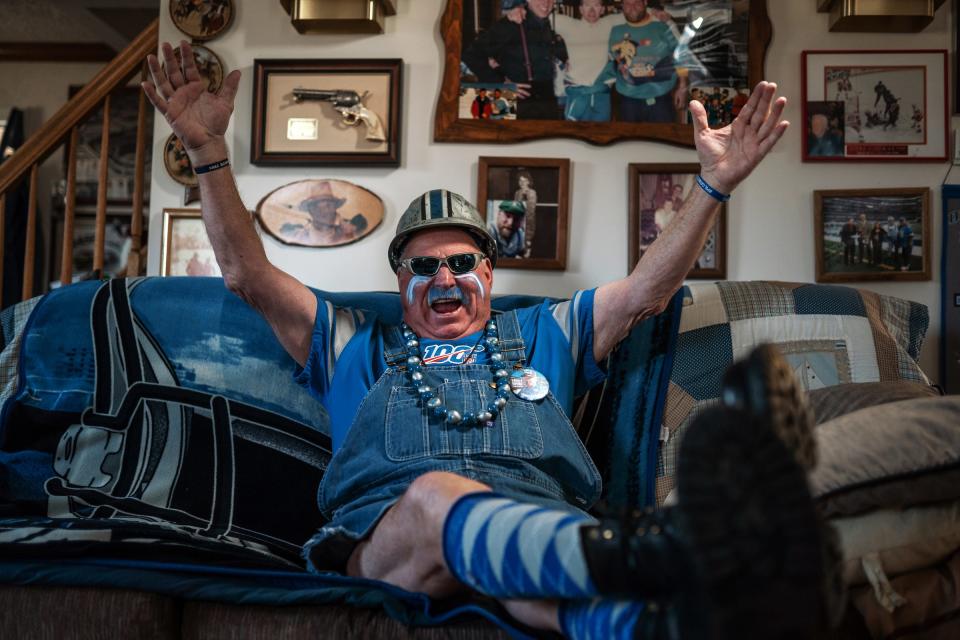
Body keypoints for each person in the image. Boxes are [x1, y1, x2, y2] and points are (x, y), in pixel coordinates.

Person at [143, 40, 834, 638]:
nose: (444, 276)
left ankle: (671, 620)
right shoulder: (350, 338)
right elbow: (245, 273)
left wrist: (712, 185)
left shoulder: (544, 330)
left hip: (530, 536)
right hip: (390, 537)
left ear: (489, 271)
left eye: (462, 262)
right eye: (422, 266)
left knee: (524, 576)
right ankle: (669, 552)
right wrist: (206, 151)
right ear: (400, 281)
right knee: (438, 498)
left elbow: (647, 291)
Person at [462, 0, 568, 120]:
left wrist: (566, 57)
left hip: (547, 102)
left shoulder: (550, 24)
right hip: (518, 103)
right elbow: (471, 55)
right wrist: (500, 83)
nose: (546, 3)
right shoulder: (511, 24)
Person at [597, 0, 688, 123]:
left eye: (636, 3)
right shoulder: (614, 30)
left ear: (645, 3)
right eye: (627, 4)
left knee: (662, 140)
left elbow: (680, 55)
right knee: (630, 141)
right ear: (622, 6)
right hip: (627, 101)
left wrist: (682, 86)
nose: (632, 7)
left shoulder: (662, 27)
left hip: (661, 99)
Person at [554, 0, 621, 121]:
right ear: (580, 9)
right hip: (577, 94)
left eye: (596, 5)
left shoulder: (610, 23)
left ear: (602, 9)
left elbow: (636, 10)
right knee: (573, 137)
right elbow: (537, 15)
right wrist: (514, 10)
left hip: (601, 95)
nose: (591, 10)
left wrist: (659, 14)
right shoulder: (568, 24)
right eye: (587, 5)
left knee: (601, 136)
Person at [278, 180, 367, 246]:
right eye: (319, 207)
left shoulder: (349, 232)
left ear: (335, 207)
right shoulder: (299, 236)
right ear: (311, 210)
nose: (326, 211)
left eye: (329, 205)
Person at [514, 170, 538, 254]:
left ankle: (527, 251)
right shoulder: (517, 193)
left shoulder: (532, 192)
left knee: (527, 241)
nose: (521, 183)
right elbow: (515, 206)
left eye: (524, 181)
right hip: (518, 219)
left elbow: (531, 209)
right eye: (520, 181)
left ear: (528, 181)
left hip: (528, 220)